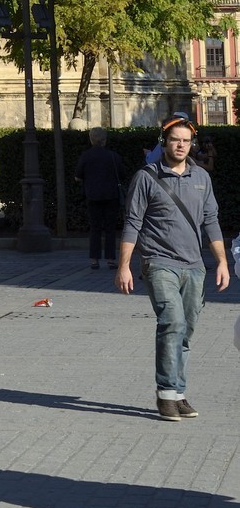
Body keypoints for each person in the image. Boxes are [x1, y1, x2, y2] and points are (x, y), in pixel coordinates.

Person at [116, 113, 230, 420]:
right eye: (174, 140)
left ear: (192, 144)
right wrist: (124, 266)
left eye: (185, 141)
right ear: (164, 143)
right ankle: (166, 394)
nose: (180, 145)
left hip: (194, 266)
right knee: (173, 322)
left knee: (186, 331)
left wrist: (222, 262)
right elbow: (132, 223)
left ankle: (179, 393)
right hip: (158, 263)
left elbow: (211, 222)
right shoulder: (146, 177)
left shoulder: (202, 178)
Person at [74, 127, 126, 269]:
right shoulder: (113, 156)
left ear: (91, 139)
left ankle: (94, 259)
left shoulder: (86, 156)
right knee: (110, 228)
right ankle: (110, 259)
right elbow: (122, 174)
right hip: (111, 195)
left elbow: (78, 176)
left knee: (95, 228)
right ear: (105, 140)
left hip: (93, 196)